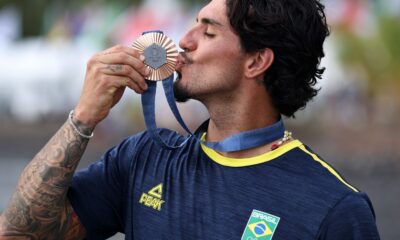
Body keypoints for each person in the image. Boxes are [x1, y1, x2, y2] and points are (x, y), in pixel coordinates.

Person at [0, 0, 380, 239]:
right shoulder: (144, 158)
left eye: (208, 31)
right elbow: (20, 231)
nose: (184, 39)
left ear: (256, 61)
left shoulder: (335, 208)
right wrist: (82, 119)